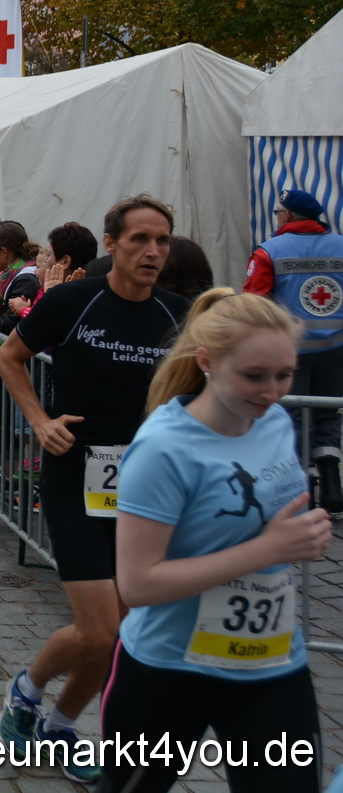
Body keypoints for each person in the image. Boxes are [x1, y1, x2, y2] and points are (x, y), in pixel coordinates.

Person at [0, 194, 189, 784]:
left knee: (119, 631)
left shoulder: (181, 314)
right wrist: (38, 420)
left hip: (147, 490)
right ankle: (26, 692)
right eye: (139, 240)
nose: (152, 251)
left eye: (162, 241)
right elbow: (10, 356)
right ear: (113, 244)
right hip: (76, 478)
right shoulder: (73, 301)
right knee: (101, 628)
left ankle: (58, 726)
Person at [102, 288, 329, 792]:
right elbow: (138, 585)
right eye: (254, 376)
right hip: (170, 671)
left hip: (271, 665)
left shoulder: (271, 421)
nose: (272, 391)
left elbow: (276, 516)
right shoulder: (163, 447)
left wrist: (305, 531)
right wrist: (268, 549)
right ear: (206, 360)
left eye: (284, 374)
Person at [244, 187, 343, 513]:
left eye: (278, 212)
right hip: (336, 351)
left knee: (295, 419)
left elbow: (254, 304)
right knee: (328, 415)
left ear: (287, 215)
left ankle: (301, 494)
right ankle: (331, 484)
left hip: (291, 353)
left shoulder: (269, 252)